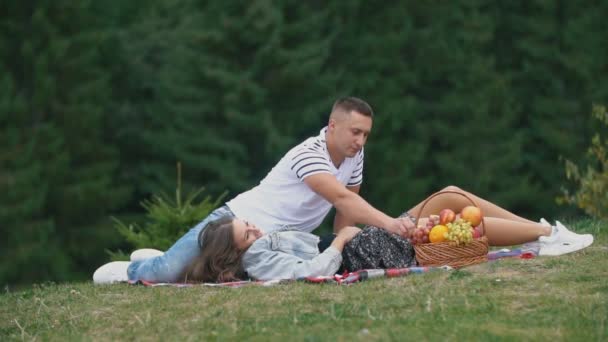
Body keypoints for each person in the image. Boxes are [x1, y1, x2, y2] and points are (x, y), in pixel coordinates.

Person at [94, 97, 415, 284]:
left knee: (209, 279)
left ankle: (173, 257)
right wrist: (390, 224)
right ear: (332, 126)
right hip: (240, 223)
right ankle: (132, 270)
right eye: (355, 132)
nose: (361, 141)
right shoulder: (309, 155)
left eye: (366, 135)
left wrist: (342, 249)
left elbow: (349, 207)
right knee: (168, 272)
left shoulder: (354, 155)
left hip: (277, 242)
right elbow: (341, 197)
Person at [95, 186, 594, 283]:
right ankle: (547, 236)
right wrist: (338, 243)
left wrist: (342, 232)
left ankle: (545, 230)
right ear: (237, 246)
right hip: (370, 249)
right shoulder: (261, 262)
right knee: (459, 227)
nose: (252, 222)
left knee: (450, 194)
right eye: (244, 227)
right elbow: (311, 272)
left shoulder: (261, 244)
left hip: (368, 241)